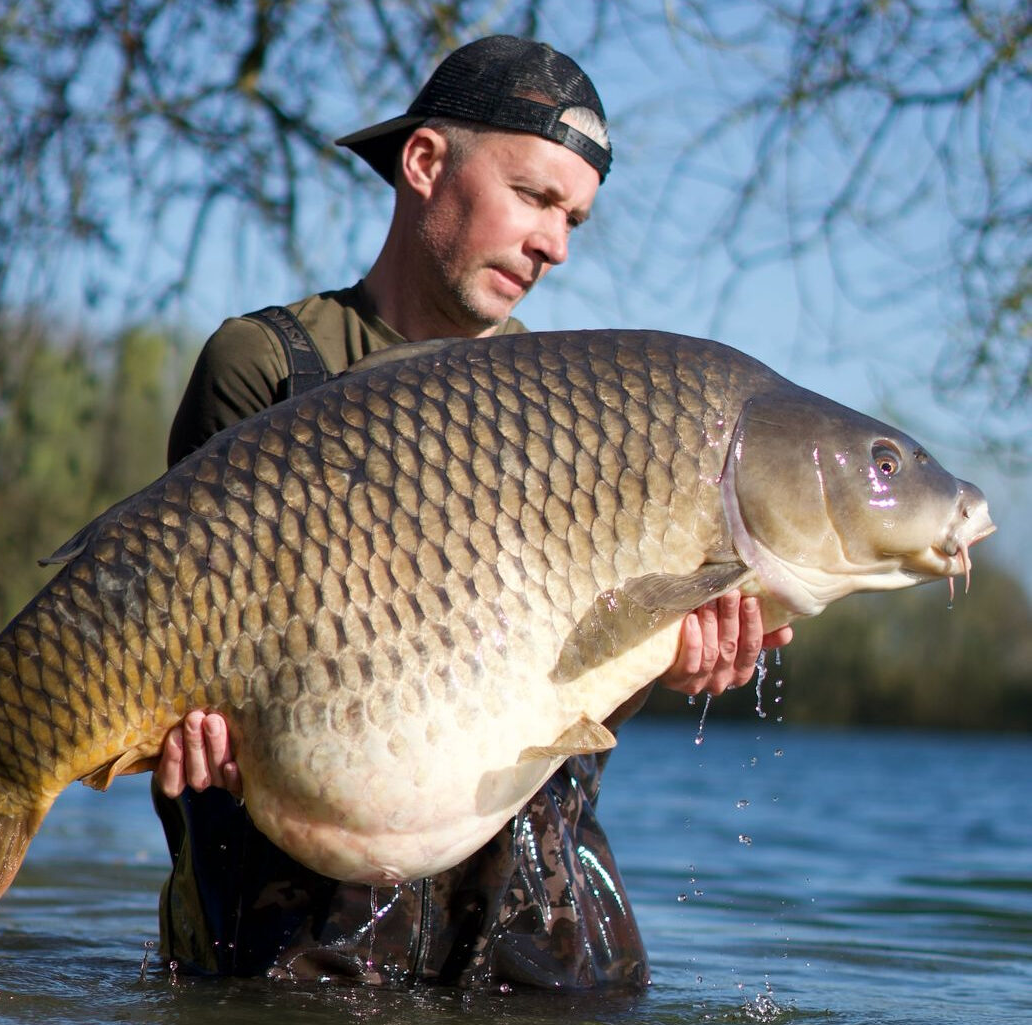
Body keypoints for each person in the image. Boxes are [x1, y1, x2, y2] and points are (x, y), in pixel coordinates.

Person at [150, 35, 792, 990]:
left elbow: (565, 681)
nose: (555, 244)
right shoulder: (266, 365)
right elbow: (177, 643)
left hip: (529, 906)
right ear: (424, 164)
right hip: (299, 906)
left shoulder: (585, 406)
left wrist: (673, 652)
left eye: (573, 217)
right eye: (534, 197)